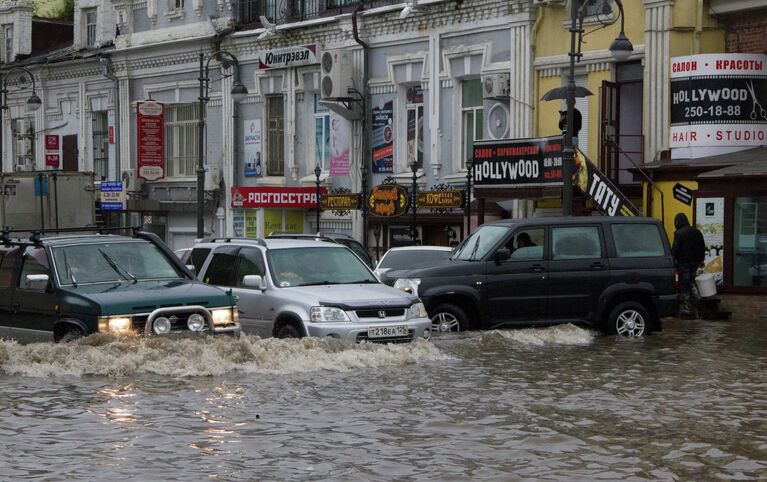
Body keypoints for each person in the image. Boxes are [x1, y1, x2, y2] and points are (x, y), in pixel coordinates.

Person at [671, 213, 706, 315]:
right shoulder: (697, 232)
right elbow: (702, 247)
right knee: (691, 280)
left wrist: (673, 259)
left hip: (683, 262)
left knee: (684, 284)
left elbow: (675, 250)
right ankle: (697, 299)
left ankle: (687, 307)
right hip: (695, 262)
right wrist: (700, 259)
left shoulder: (679, 233)